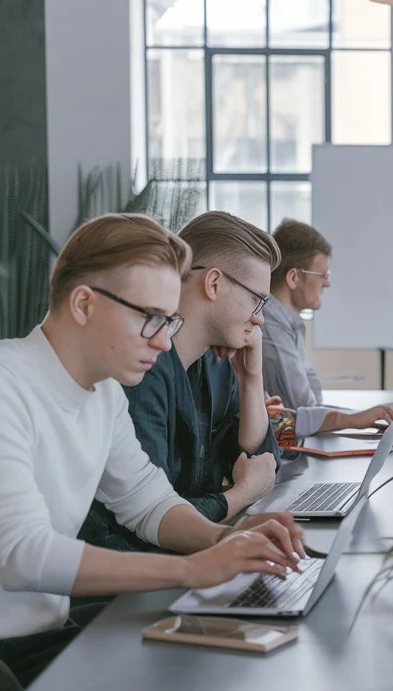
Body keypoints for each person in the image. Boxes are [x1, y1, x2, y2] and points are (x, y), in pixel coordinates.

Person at [0, 213, 307, 688]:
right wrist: (191, 568)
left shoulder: (101, 395)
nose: (165, 341)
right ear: (83, 303)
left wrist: (224, 539)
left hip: (33, 637)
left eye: (170, 321)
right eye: (151, 319)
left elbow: (149, 502)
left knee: (219, 656)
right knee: (191, 675)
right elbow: (22, 555)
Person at [78, 211, 284, 553]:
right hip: (131, 578)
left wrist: (251, 378)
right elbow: (146, 524)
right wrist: (238, 496)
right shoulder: (141, 370)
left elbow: (260, 462)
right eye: (256, 300)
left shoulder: (217, 362)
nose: (260, 317)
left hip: (189, 555)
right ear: (214, 283)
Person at [261, 219, 393, 438]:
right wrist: (356, 418)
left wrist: (363, 416)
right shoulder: (270, 328)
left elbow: (313, 404)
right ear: (294, 277)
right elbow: (299, 413)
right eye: (322, 274)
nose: (328, 283)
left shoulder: (289, 324)